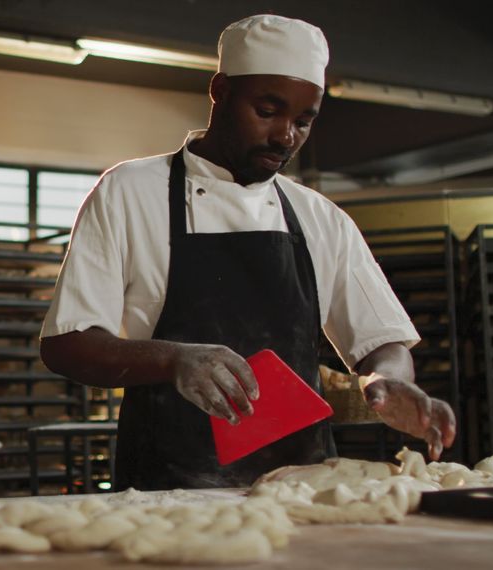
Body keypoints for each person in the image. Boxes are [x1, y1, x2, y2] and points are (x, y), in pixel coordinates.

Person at [40, 15, 456, 491]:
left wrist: (388, 382)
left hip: (302, 488)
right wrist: (173, 359)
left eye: (303, 122)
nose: (285, 136)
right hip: (168, 489)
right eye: (267, 111)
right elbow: (67, 344)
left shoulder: (320, 217)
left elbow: (382, 342)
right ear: (220, 90)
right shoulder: (131, 192)